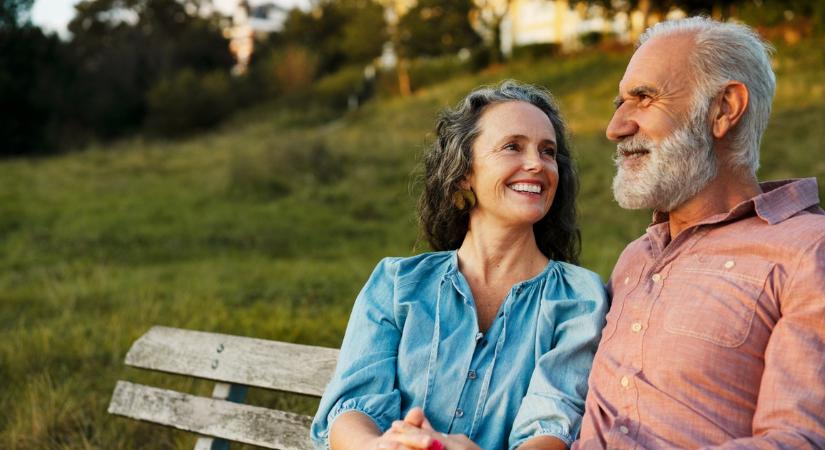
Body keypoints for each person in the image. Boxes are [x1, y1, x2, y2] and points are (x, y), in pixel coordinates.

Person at [310, 80, 608, 450]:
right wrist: (380, 447)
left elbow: (551, 429)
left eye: (548, 152)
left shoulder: (580, 299)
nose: (537, 164)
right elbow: (351, 409)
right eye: (513, 147)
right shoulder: (396, 283)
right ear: (465, 171)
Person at [574, 17, 825, 449]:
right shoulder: (634, 258)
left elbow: (797, 440)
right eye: (620, 103)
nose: (615, 127)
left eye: (644, 98)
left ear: (724, 108)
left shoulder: (808, 250)